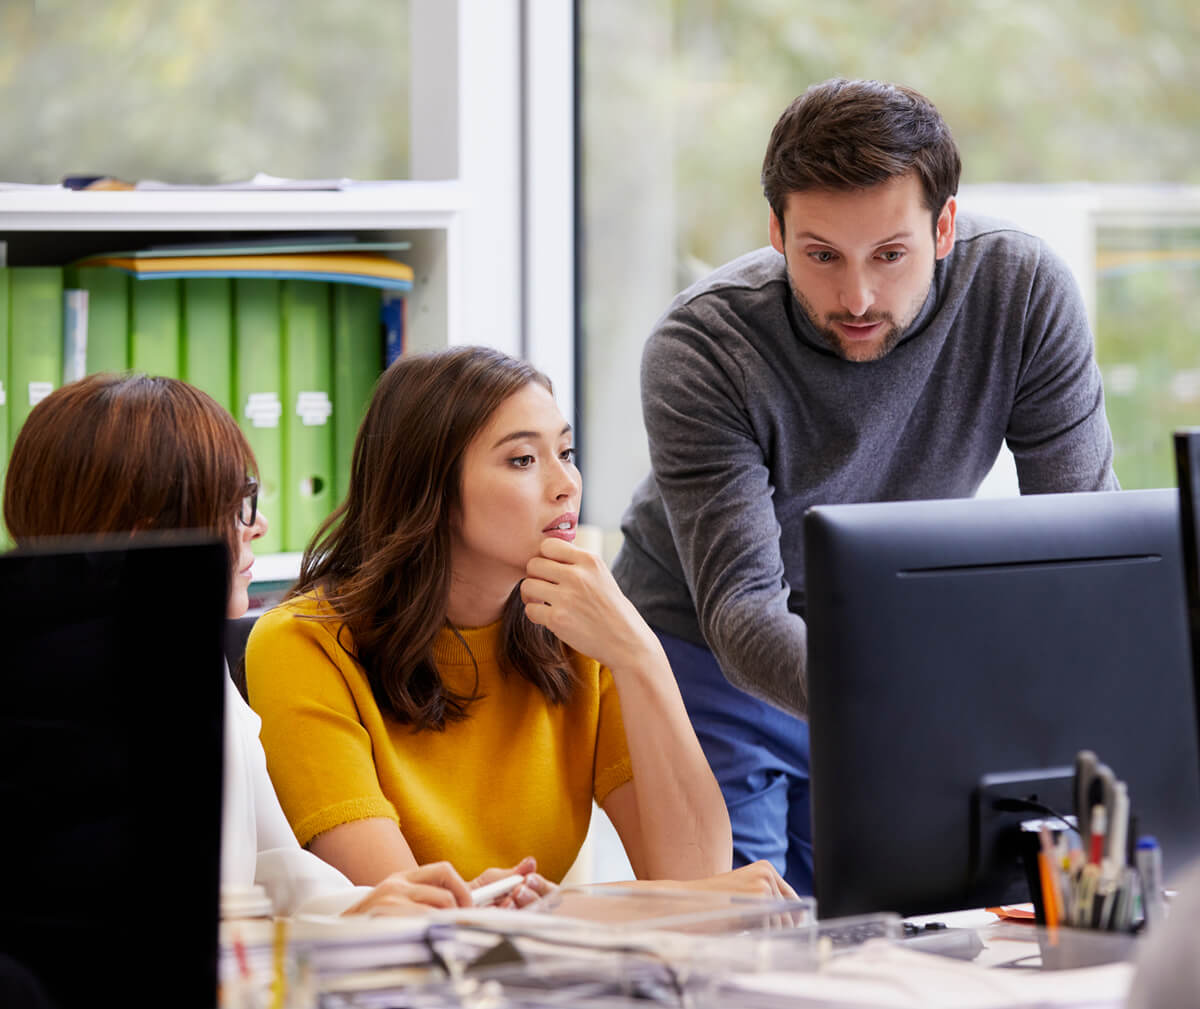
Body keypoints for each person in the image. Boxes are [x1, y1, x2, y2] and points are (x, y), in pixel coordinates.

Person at [610, 77, 1119, 895]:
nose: (856, 298)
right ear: (775, 231)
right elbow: (742, 608)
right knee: (747, 930)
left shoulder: (1022, 292)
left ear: (944, 226)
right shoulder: (703, 344)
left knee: (886, 920)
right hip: (706, 649)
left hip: (885, 644)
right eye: (821, 256)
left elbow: (1082, 539)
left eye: (890, 255)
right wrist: (909, 702)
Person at [2, 372, 519, 917]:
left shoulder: (181, 660)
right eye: (236, 505)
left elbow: (272, 862)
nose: (259, 525)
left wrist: (371, 907)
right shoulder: (43, 699)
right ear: (147, 535)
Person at [245, 345, 740, 893]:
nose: (567, 484)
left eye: (566, 452)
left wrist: (640, 654)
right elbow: (416, 918)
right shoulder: (301, 644)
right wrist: (584, 912)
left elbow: (703, 883)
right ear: (429, 490)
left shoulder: (580, 630)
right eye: (522, 460)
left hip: (541, 972)